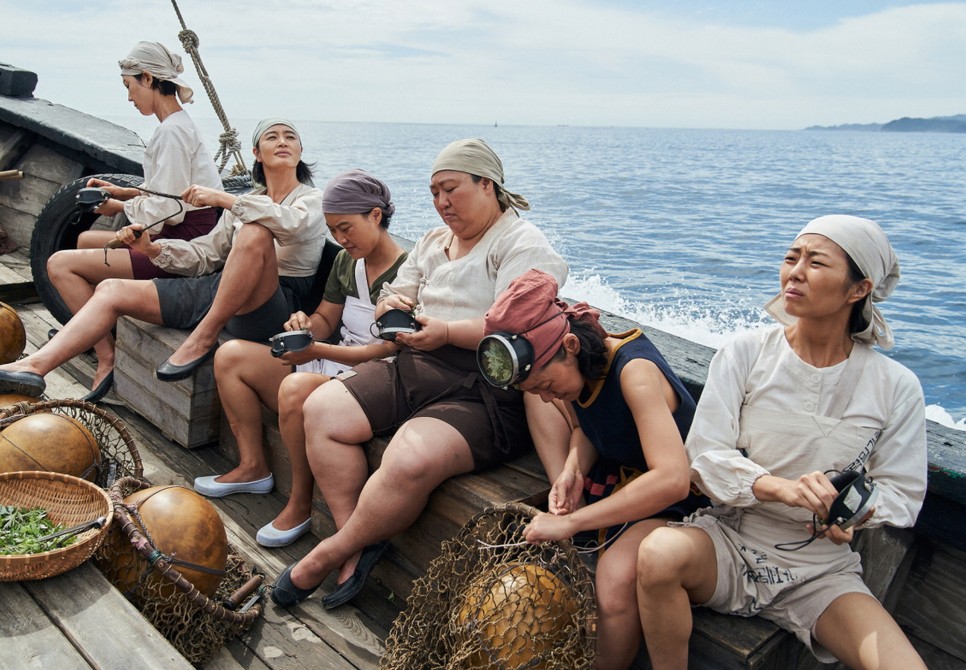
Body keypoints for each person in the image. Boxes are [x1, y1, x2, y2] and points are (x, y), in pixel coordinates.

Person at [269, 138, 568, 610]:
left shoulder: (522, 243)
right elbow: (402, 288)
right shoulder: (433, 241)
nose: (441, 202)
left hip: (485, 386)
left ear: (486, 185)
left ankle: (331, 551)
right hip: (416, 364)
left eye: (451, 189)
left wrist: (446, 330)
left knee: (408, 456)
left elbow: (514, 326)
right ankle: (357, 541)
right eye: (434, 193)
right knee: (322, 409)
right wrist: (393, 304)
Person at [634, 215, 928, 670]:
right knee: (658, 554)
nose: (795, 270)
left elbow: (903, 494)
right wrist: (778, 488)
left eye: (816, 262)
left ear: (858, 289)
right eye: (791, 258)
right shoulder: (745, 353)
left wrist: (850, 510)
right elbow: (705, 456)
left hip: (822, 571)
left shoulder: (896, 386)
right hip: (732, 540)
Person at [0, 119, 325, 402]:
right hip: (221, 289)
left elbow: (290, 223)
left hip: (272, 306)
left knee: (255, 233)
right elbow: (204, 255)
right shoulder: (250, 200)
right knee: (111, 289)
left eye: (290, 136)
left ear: (300, 150)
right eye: (272, 136)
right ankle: (34, 367)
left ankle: (204, 334)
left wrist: (225, 199)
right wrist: (152, 249)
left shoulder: (312, 199)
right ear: (256, 152)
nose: (282, 141)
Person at [477, 268, 705, 669]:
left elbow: (672, 478)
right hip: (627, 477)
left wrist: (571, 523)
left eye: (548, 386)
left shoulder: (633, 373)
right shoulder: (576, 369)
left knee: (614, 580)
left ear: (569, 345)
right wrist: (571, 469)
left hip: (686, 498)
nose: (549, 399)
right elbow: (587, 426)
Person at [194, 169, 407, 549]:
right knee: (230, 357)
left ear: (375, 216)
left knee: (294, 389)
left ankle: (300, 501)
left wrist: (316, 351)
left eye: (347, 228)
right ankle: (253, 467)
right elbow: (327, 318)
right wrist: (305, 324)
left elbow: (390, 350)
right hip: (333, 359)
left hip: (373, 378)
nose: (340, 239)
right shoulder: (347, 262)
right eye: (333, 231)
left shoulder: (409, 271)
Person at [45, 41, 222, 400]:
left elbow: (164, 213)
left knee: (60, 265)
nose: (129, 98)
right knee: (81, 244)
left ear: (147, 78)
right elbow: (168, 191)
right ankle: (94, 330)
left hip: (179, 244)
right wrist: (125, 192)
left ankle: (106, 356)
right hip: (185, 228)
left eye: (130, 87)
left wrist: (118, 209)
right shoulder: (176, 125)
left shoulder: (171, 133)